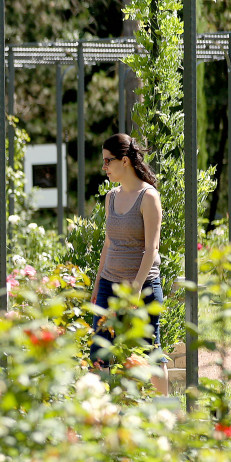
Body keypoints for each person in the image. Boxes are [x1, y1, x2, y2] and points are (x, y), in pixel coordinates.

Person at [89, 133, 169, 394]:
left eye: (107, 161)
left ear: (125, 161)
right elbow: (109, 244)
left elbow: (151, 249)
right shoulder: (110, 197)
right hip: (109, 285)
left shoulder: (148, 197)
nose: (104, 168)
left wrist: (135, 290)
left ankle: (165, 417)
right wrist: (98, 283)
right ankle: (105, 416)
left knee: (149, 351)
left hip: (143, 288)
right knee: (99, 351)